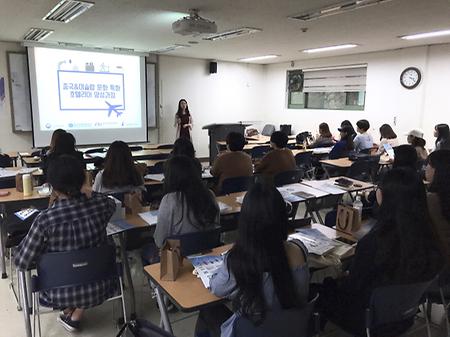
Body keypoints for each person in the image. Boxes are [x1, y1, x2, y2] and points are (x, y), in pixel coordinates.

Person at [319, 168, 442, 336]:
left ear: (384, 196)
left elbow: (352, 289)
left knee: (321, 288)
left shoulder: (375, 243)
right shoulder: (429, 236)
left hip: (366, 318)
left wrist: (338, 277)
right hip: (405, 315)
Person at [15, 155, 117, 332]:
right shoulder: (101, 205)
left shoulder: (45, 220)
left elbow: (21, 262)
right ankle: (73, 314)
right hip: (101, 284)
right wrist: (89, 191)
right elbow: (111, 204)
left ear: (53, 187)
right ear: (82, 179)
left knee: (56, 267)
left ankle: (69, 311)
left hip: (58, 293)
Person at [195, 180, 309, 337]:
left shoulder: (238, 259)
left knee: (208, 310)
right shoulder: (300, 250)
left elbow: (217, 288)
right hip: (290, 329)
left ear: (246, 220)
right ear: (282, 216)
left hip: (253, 330)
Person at [153, 155, 219, 248]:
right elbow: (216, 226)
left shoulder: (170, 200)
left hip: (179, 257)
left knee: (146, 250)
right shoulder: (209, 195)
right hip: (208, 252)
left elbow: (159, 241)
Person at [425, 150, 450, 264]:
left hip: (441, 260)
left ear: (438, 169)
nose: (425, 168)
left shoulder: (431, 199)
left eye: (428, 165)